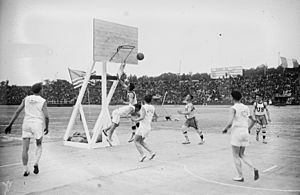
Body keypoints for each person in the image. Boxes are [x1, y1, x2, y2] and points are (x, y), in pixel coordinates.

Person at [4, 83, 49, 176]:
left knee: (25, 149)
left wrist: (10, 125)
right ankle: (36, 163)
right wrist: (47, 127)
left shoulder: (26, 99)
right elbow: (47, 117)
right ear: (40, 90)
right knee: (39, 145)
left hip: (27, 124)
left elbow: (17, 112)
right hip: (37, 124)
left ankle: (25, 170)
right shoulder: (43, 101)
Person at [222, 90, 259, 182]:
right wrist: (248, 128)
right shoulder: (246, 107)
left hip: (237, 132)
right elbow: (254, 120)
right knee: (241, 154)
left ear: (232, 97)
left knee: (235, 155)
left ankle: (240, 176)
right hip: (245, 132)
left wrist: (225, 129)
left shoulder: (233, 108)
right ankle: (253, 168)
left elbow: (230, 122)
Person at [132, 95, 156, 162]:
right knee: (141, 141)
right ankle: (152, 152)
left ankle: (142, 155)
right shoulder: (152, 107)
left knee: (136, 140)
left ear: (144, 100)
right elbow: (150, 116)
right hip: (148, 126)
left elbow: (142, 117)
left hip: (143, 126)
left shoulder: (144, 107)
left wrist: (135, 120)